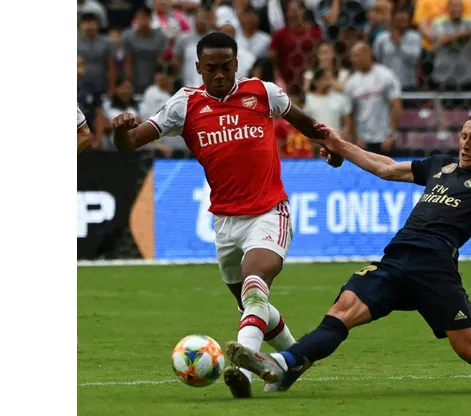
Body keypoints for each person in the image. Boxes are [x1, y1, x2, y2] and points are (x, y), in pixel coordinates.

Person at [224, 105, 471, 393]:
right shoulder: (440, 166)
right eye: (464, 136)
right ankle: (281, 363)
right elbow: (386, 168)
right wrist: (339, 144)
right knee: (341, 313)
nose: (466, 144)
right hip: (395, 260)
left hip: (436, 271)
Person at [109, 32, 343, 399]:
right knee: (252, 304)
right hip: (225, 223)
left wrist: (333, 147)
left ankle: (243, 372)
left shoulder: (263, 93)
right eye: (211, 68)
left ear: (237, 64)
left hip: (269, 211)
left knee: (255, 283)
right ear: (198, 68)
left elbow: (309, 125)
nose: (219, 74)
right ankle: (295, 360)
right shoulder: (185, 104)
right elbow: (130, 142)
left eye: (226, 67)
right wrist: (121, 132)